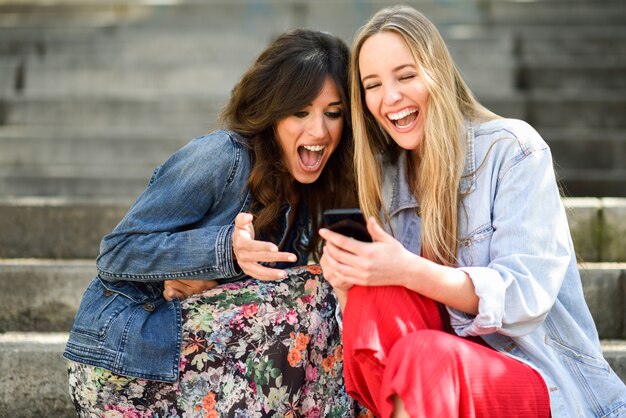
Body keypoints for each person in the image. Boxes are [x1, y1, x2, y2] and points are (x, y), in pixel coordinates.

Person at [319, 5, 626, 418]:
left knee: (426, 356)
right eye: (372, 85)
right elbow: (378, 335)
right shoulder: (386, 179)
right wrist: (347, 283)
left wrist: (407, 269)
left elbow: (525, 297)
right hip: (428, 384)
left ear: (438, 73)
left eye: (406, 76)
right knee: (374, 295)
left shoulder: (512, 150)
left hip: (533, 376)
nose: (390, 98)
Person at [64, 28, 364, 417]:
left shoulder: (310, 194)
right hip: (125, 361)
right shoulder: (223, 157)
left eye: (333, 113)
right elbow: (116, 252)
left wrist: (209, 278)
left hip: (201, 363)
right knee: (311, 289)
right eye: (300, 111)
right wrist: (220, 251)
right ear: (271, 112)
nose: (319, 131)